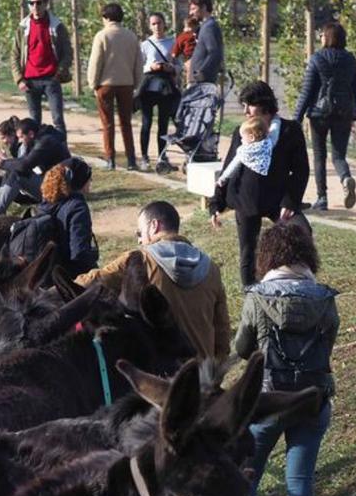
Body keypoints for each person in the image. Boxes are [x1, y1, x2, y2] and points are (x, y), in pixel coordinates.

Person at [234, 221, 339, 496]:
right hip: (313, 399)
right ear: (307, 254)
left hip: (267, 401)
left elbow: (242, 346)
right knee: (301, 480)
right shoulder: (325, 298)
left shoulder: (257, 297)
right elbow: (327, 346)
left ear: (267, 256)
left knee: (248, 473)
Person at [76, 200, 230, 362]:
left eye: (139, 233)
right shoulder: (211, 268)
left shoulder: (139, 261)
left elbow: (92, 281)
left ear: (154, 226)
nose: (139, 241)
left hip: (159, 379)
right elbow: (222, 330)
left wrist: (51, 292)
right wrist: (215, 370)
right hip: (201, 375)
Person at [211, 81, 309, 287]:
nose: (245, 110)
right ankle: (251, 291)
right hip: (247, 199)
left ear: (265, 105)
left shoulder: (290, 130)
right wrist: (216, 203)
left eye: (250, 105)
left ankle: (296, 279)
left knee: (302, 231)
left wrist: (290, 202)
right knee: (248, 249)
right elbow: (229, 167)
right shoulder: (242, 130)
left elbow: (301, 170)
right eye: (243, 105)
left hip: (278, 199)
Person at [293, 21, 356, 212]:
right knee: (339, 155)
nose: (320, 37)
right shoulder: (351, 60)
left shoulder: (317, 59)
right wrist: (354, 112)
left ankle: (322, 198)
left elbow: (307, 91)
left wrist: (296, 119)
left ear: (328, 37)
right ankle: (346, 177)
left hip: (319, 113)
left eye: (322, 34)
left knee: (319, 155)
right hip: (344, 113)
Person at [87, 3, 142, 170]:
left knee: (107, 123)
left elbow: (96, 62)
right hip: (126, 84)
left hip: (106, 84)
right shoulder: (131, 36)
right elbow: (138, 62)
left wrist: (93, 83)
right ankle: (131, 159)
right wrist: (136, 83)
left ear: (106, 18)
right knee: (126, 123)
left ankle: (110, 158)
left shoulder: (102, 36)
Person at [0, 117, 70, 216]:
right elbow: (23, 162)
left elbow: (24, 165)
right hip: (51, 184)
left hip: (60, 191)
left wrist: (2, 163)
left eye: (21, 137)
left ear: (30, 134)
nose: (20, 141)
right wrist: (5, 162)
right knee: (13, 171)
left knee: (17, 173)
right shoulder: (36, 140)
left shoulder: (45, 142)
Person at [11, 0, 72, 133]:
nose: (35, 7)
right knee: (33, 122)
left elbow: (68, 53)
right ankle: (35, 152)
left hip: (51, 78)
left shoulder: (57, 26)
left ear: (46, 4)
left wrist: (59, 73)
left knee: (58, 119)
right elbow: (15, 55)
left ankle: (63, 151)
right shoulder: (23, 28)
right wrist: (19, 79)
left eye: (38, 3)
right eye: (31, 3)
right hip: (30, 81)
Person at [34, 158, 99, 276]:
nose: (91, 181)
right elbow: (79, 253)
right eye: (89, 178)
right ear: (80, 182)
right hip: (68, 276)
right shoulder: (77, 207)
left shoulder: (45, 204)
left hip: (45, 274)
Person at [136, 12, 178, 170]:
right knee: (146, 122)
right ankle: (144, 157)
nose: (157, 26)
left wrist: (171, 67)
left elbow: (178, 64)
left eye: (159, 23)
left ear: (164, 23)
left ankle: (162, 156)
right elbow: (139, 66)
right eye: (153, 23)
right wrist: (150, 67)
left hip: (166, 86)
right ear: (149, 26)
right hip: (149, 85)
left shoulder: (172, 42)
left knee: (163, 124)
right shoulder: (145, 44)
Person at [216, 116, 276, 187]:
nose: (241, 140)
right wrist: (276, 121)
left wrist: (223, 178)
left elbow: (234, 165)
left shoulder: (245, 151)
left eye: (243, 138)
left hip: (249, 181)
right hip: (265, 180)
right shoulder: (268, 144)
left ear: (251, 137)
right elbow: (275, 132)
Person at [187, 0, 222, 84]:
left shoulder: (209, 27)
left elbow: (214, 52)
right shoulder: (205, 26)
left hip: (203, 81)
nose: (191, 12)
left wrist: (202, 72)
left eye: (193, 9)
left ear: (204, 7)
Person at [172, 15, 197, 86]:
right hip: (189, 57)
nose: (191, 29)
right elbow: (176, 50)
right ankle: (190, 84)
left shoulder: (200, 34)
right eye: (189, 26)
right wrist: (174, 55)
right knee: (190, 69)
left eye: (193, 26)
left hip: (200, 58)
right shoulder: (183, 36)